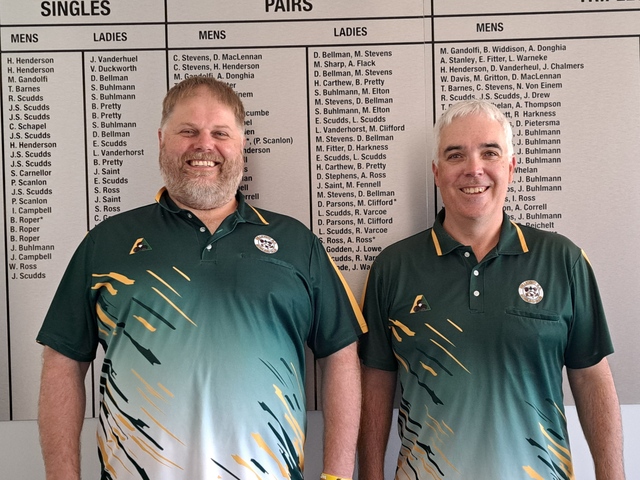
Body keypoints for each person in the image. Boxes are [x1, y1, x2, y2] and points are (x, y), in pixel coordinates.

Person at [37, 76, 366, 480]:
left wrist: (337, 476)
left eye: (220, 133)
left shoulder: (297, 243)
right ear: (161, 140)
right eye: (188, 131)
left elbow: (340, 354)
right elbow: (62, 362)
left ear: (242, 144)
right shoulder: (107, 242)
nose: (204, 145)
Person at [358, 100, 625, 479]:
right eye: (455, 155)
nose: (474, 168)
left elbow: (591, 377)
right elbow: (376, 383)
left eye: (489, 152)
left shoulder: (563, 261)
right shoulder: (393, 267)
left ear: (511, 167)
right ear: (436, 172)